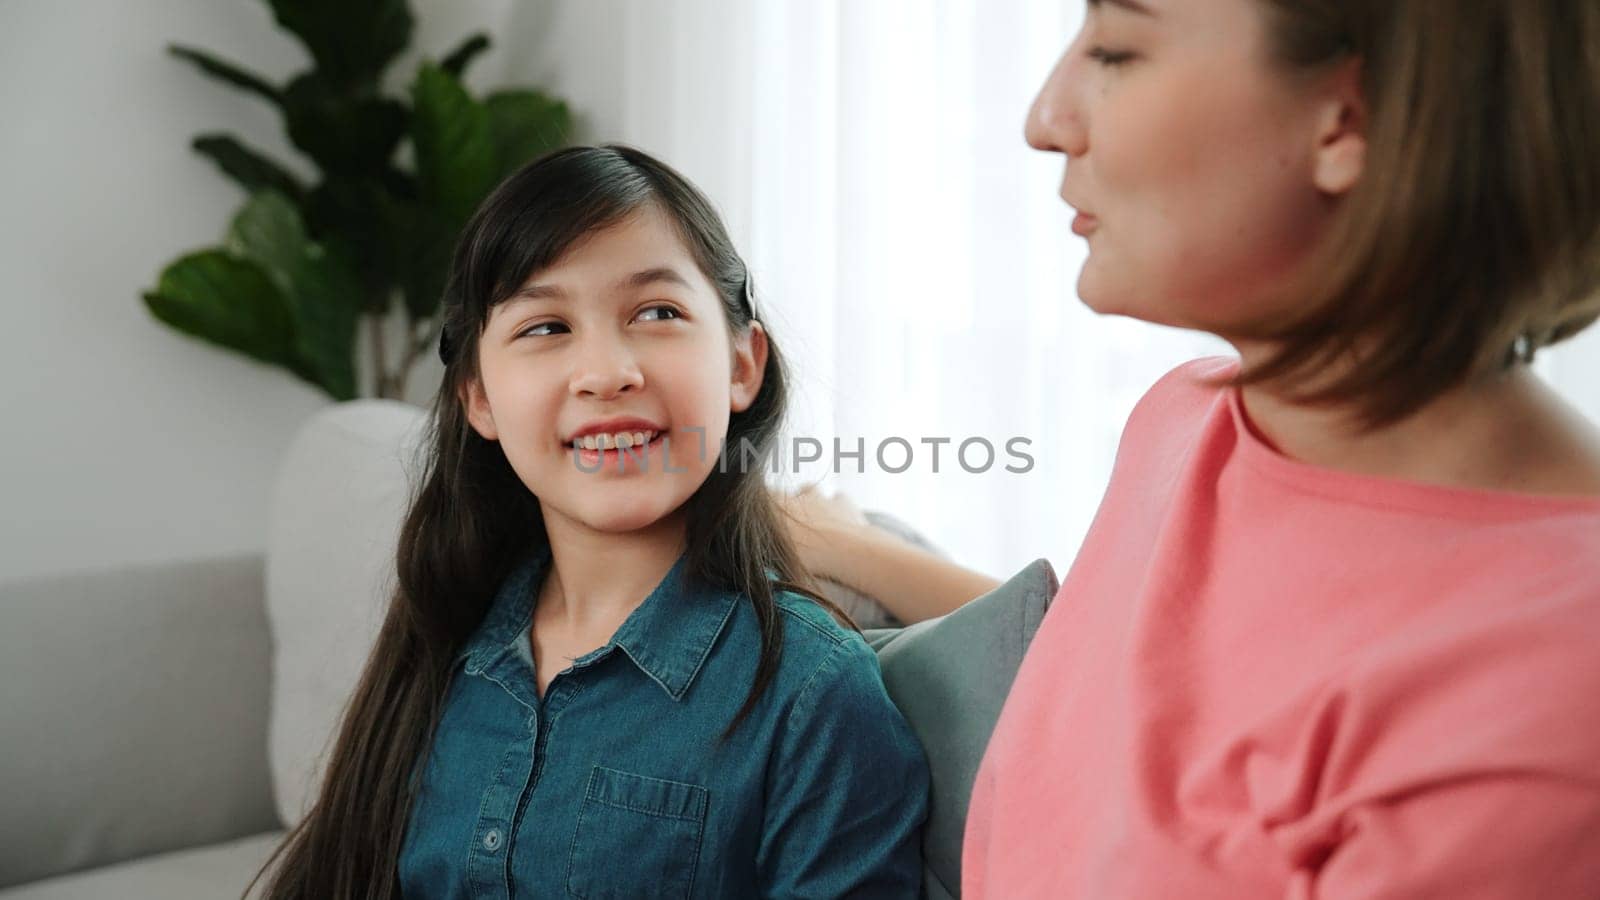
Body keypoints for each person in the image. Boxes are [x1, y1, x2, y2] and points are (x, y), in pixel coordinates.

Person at [788, 0, 1600, 895]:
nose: (1044, 120)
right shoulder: (1186, 422)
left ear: (1351, 118)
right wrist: (852, 549)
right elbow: (1130, 693)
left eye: (1117, 49)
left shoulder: (1549, 691)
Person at [246, 145, 929, 899]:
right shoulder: (447, 642)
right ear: (478, 395)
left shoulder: (813, 693)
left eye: (657, 313)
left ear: (742, 364)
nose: (606, 372)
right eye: (545, 327)